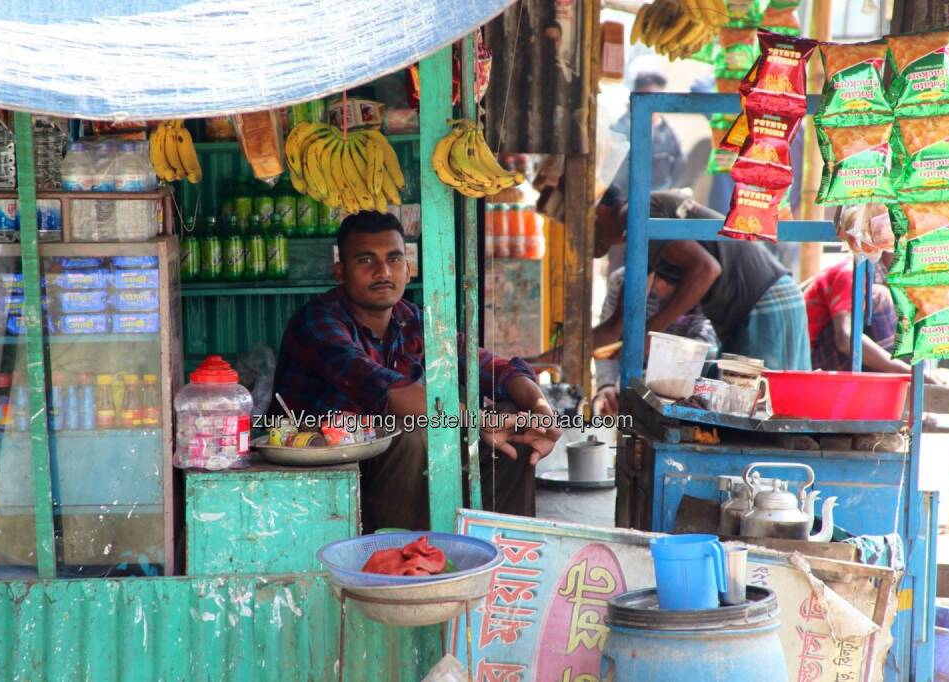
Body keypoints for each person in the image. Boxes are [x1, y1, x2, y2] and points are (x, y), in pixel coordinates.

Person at [271, 211, 562, 532]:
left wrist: (538, 406)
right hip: (323, 465)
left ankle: (506, 554)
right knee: (409, 432)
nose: (383, 271)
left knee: (514, 419)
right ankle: (407, 563)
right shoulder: (317, 321)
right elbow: (386, 390)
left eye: (394, 259)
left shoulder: (410, 318)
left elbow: (485, 365)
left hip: (391, 467)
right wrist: (477, 418)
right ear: (340, 271)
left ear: (408, 269)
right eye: (366, 260)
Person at [595, 187, 811, 371]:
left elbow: (706, 269)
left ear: (599, 211)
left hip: (765, 301)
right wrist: (567, 350)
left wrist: (650, 332)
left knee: (767, 408)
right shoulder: (637, 237)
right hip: (749, 310)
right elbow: (617, 325)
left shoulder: (634, 213)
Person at [591, 267, 720, 415]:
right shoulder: (623, 280)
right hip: (627, 385)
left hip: (676, 392)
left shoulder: (700, 286)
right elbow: (608, 343)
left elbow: (706, 344)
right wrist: (607, 385)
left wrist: (664, 374)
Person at [804, 254, 908, 373]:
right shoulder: (851, 271)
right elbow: (845, 339)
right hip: (810, 364)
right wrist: (906, 371)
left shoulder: (882, 274)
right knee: (879, 297)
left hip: (829, 357)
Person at [610, 70, 686, 195]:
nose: (652, 103)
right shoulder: (620, 130)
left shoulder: (669, 134)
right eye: (646, 97)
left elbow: (678, 170)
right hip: (625, 203)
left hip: (658, 204)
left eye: (657, 97)